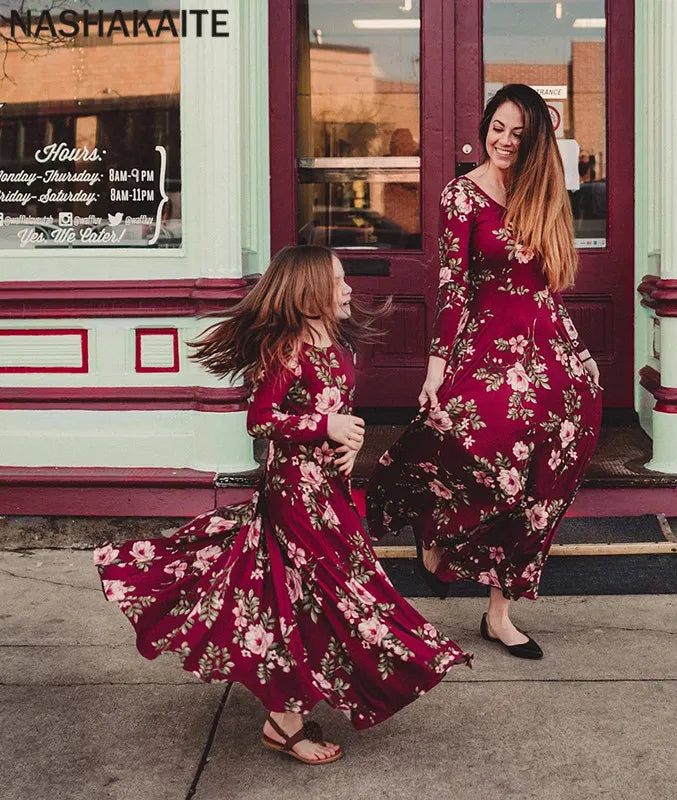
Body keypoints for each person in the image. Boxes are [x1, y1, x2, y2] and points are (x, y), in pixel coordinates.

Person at [94, 245, 470, 765]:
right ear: (311, 292)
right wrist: (324, 427)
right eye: (338, 282)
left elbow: (336, 410)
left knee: (309, 595)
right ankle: (286, 720)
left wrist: (351, 439)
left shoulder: (334, 344)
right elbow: (260, 420)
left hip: (328, 492)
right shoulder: (288, 349)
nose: (348, 290)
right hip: (295, 495)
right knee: (312, 597)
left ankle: (290, 710)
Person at [367, 85, 602, 659]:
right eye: (498, 127)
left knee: (543, 479)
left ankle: (499, 611)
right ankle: (435, 526)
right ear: (485, 128)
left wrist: (581, 351)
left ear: (533, 142)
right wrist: (436, 365)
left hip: (548, 353)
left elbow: (545, 287)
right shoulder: (461, 196)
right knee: (481, 455)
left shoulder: (543, 196)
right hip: (488, 352)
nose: (503, 140)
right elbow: (451, 285)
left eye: (517, 133)